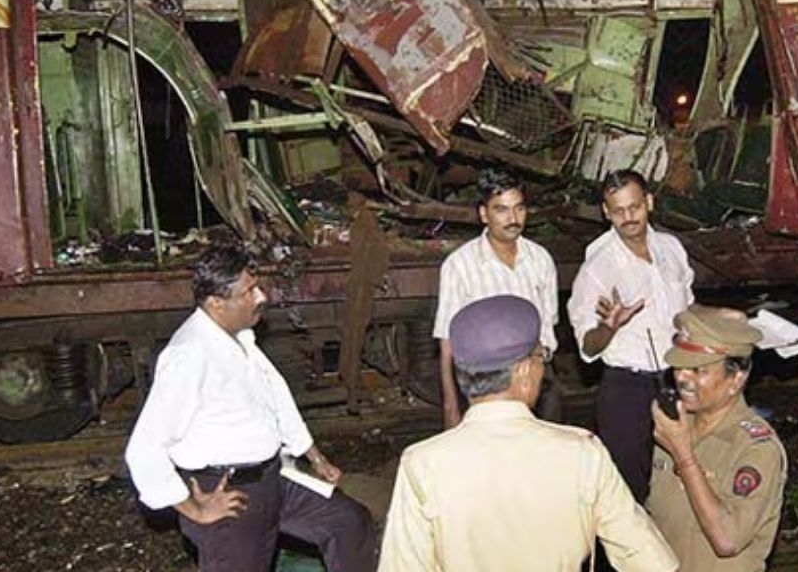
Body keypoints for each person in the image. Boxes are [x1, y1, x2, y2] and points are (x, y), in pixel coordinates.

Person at [379, 295, 679, 572]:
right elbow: (649, 560)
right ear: (523, 372)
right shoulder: (581, 453)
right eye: (540, 355)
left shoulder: (422, 464)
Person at [124, 245, 376, 572]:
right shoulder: (189, 355)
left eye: (257, 287)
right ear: (216, 303)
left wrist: (314, 456)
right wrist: (195, 509)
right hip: (230, 493)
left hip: (273, 479)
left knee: (348, 523)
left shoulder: (238, 336)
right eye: (249, 292)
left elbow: (275, 397)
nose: (261, 298)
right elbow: (144, 449)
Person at [568, 168, 695, 503]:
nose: (628, 217)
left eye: (634, 207)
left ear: (649, 202)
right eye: (619, 211)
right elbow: (586, 347)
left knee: (682, 479)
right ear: (606, 213)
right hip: (627, 388)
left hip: (678, 379)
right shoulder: (598, 268)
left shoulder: (671, 248)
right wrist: (609, 327)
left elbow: (688, 311)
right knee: (627, 495)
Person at [648, 305, 788, 572]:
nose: (682, 378)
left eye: (698, 370)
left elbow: (727, 540)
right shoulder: (674, 427)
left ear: (736, 378)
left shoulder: (756, 448)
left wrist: (684, 456)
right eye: (679, 367)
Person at [433, 168, 561, 428]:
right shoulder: (460, 265)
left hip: (537, 377)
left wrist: (541, 356)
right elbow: (447, 342)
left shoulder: (541, 260)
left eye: (519, 208)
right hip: (487, 387)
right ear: (484, 214)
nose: (513, 218)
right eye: (501, 209)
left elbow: (549, 323)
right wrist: (450, 405)